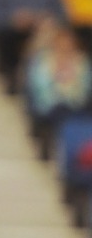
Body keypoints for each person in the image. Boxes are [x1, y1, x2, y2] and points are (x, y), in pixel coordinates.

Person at [26, 23, 91, 155]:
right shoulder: (43, 60)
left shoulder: (82, 61)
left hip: (76, 101)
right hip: (50, 102)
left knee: (71, 110)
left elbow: (86, 85)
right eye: (62, 42)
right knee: (59, 109)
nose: (65, 45)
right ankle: (54, 143)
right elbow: (39, 86)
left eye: (68, 42)